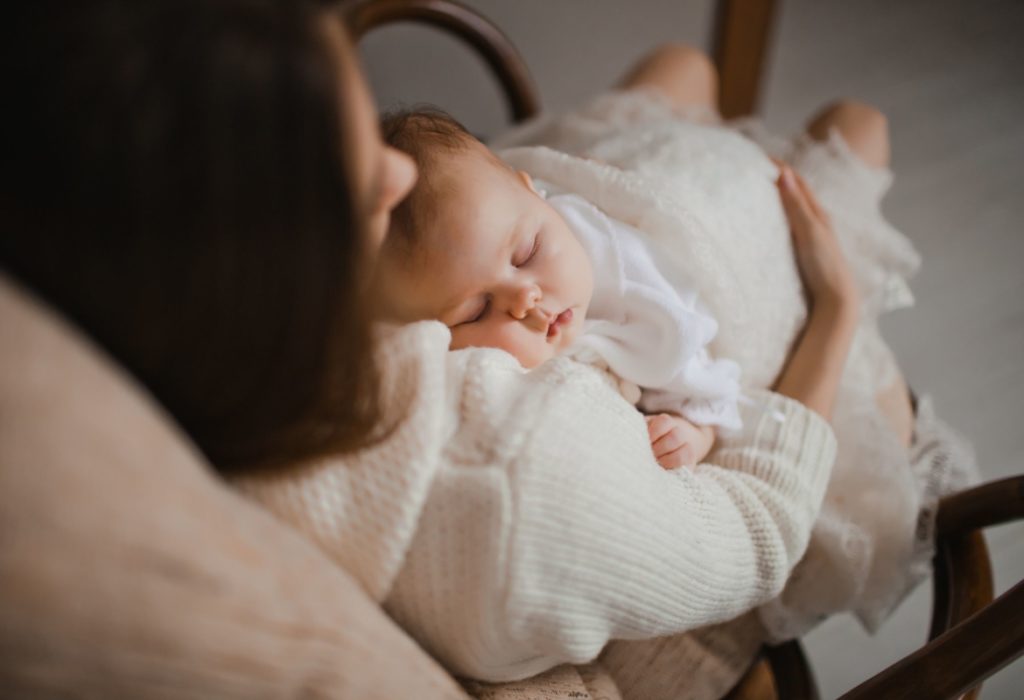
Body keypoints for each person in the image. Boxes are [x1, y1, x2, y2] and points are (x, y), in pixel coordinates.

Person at [0, 1, 883, 695]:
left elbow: (477, 210)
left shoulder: (235, 321)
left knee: (681, 71)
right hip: (750, 355)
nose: (396, 169)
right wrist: (840, 307)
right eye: (365, 191)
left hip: (570, 212)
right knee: (856, 126)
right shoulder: (511, 476)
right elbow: (764, 525)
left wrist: (516, 215)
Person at [364, 45, 978, 646]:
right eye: (477, 311)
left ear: (536, 193)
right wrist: (700, 432)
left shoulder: (527, 213)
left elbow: (507, 197)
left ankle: (728, 144)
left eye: (527, 253)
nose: (526, 299)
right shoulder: (623, 350)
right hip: (765, 256)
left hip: (680, 177)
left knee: (685, 62)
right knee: (860, 125)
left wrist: (608, 178)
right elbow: (708, 384)